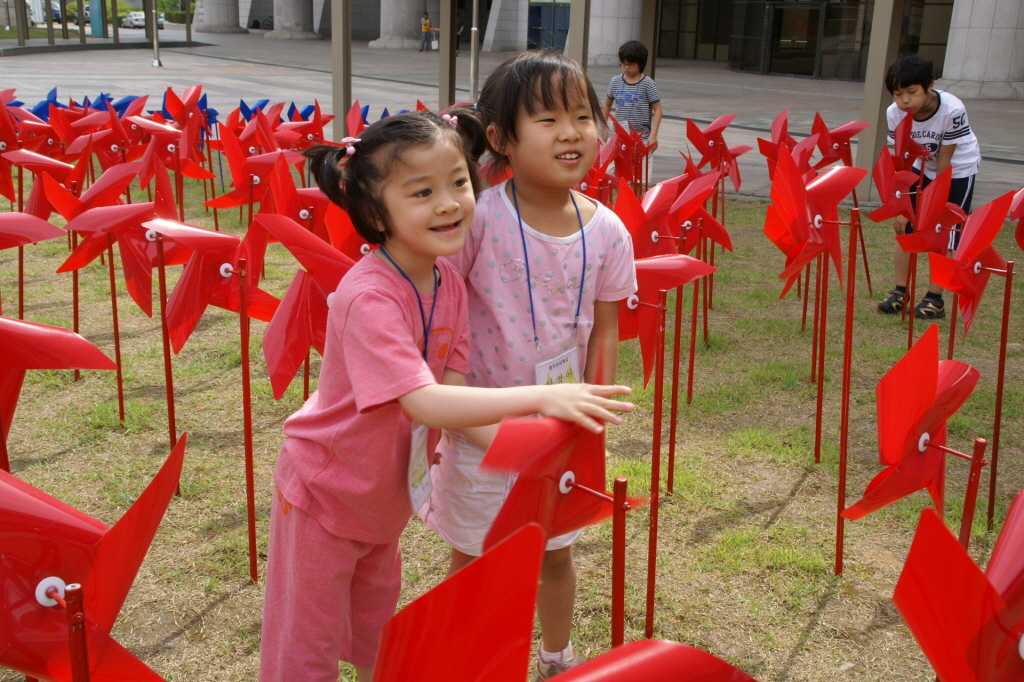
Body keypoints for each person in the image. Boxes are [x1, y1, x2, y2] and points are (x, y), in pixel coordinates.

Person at [258, 110, 635, 682]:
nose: (449, 203)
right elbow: (427, 402)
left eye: (459, 182)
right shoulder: (369, 298)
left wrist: (530, 451)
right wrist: (543, 399)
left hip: (384, 506)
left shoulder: (448, 284)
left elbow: (457, 392)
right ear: (373, 213)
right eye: (422, 192)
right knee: (304, 652)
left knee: (377, 643)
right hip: (324, 498)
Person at [420, 51, 638, 680]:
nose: (570, 131)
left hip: (559, 433)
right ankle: (461, 658)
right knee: (475, 553)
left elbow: (605, 329)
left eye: (582, 115)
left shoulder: (610, 233)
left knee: (555, 553)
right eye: (546, 118)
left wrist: (592, 411)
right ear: (500, 139)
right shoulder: (476, 219)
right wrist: (453, 408)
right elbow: (445, 321)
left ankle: (555, 656)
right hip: (483, 429)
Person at [876, 55, 980, 319]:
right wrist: (903, 206)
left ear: (930, 85)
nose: (904, 101)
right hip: (917, 168)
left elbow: (944, 163)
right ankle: (900, 291)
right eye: (898, 94)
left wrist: (937, 206)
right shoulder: (894, 113)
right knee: (905, 228)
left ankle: (935, 298)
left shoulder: (952, 110)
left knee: (943, 230)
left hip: (956, 171)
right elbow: (901, 159)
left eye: (911, 92)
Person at [602, 40, 662, 152]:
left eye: (631, 64)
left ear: (640, 64)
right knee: (611, 168)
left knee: (640, 169)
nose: (626, 68)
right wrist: (603, 127)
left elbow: (657, 109)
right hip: (617, 137)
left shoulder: (647, 83)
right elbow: (607, 104)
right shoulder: (615, 81)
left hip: (641, 139)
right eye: (623, 64)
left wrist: (653, 135)